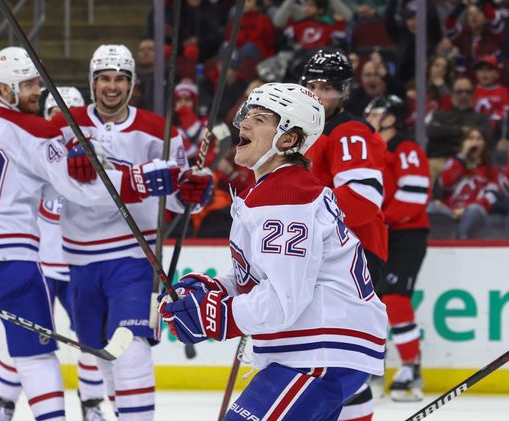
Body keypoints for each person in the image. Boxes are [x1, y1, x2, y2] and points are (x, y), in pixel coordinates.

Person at [0, 47, 178, 421]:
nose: (37, 92)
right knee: (35, 357)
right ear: (4, 89)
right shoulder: (34, 130)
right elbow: (81, 189)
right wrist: (140, 180)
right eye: (28, 85)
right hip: (10, 265)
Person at [158, 82, 387, 420]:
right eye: (247, 115)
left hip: (318, 350)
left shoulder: (284, 194)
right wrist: (216, 289)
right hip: (315, 349)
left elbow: (283, 300)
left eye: (261, 119)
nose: (245, 123)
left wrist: (218, 316)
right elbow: (264, 278)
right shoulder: (274, 190)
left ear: (289, 139)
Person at [50, 44, 213, 420]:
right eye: (105, 78)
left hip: (134, 254)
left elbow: (178, 197)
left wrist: (192, 195)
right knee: (98, 349)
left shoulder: (160, 130)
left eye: (121, 79)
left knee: (132, 345)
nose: (112, 86)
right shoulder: (64, 125)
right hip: (80, 257)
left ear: (132, 84)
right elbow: (51, 177)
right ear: (92, 83)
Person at [0, 85, 108, 421]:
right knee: (23, 339)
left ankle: (91, 405)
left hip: (77, 265)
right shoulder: (30, 149)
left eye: (69, 118)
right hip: (39, 266)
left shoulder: (92, 153)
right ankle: (4, 404)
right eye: (55, 117)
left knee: (91, 341)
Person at [300, 48, 388, 421]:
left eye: (329, 88)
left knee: (337, 361)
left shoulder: (350, 131)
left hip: (354, 257)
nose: (320, 95)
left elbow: (364, 200)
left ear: (345, 91)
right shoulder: (304, 132)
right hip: (327, 255)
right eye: (313, 86)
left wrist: (304, 227)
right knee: (325, 359)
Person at [365, 95, 431, 402]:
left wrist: (382, 220)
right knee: (372, 302)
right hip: (383, 233)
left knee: (395, 298)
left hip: (406, 235)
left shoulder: (405, 149)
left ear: (392, 117)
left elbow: (415, 195)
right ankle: (372, 367)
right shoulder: (374, 149)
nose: (371, 115)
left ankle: (409, 369)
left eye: (377, 111)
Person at [429, 126, 502, 239]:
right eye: (470, 139)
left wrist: (464, 210)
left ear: (485, 144)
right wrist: (462, 156)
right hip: (451, 212)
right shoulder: (454, 162)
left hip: (475, 212)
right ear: (464, 143)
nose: (474, 142)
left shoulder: (492, 170)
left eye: (478, 139)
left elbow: (490, 197)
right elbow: (445, 183)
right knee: (431, 207)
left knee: (474, 210)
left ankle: (461, 240)